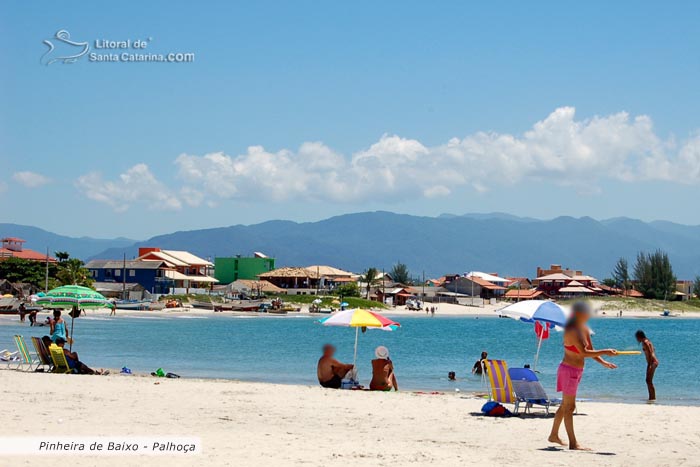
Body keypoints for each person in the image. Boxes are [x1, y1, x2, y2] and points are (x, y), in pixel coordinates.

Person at [548, 301, 618, 450]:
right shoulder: (572, 330)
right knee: (570, 407)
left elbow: (591, 350)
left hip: (577, 371)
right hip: (568, 370)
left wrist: (603, 362)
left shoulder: (584, 329)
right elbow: (583, 353)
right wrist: (605, 351)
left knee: (565, 406)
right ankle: (573, 444)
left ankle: (553, 435)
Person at [636, 330, 658, 401]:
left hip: (652, 362)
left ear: (639, 336)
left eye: (637, 337)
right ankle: (651, 397)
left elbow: (651, 352)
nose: (637, 339)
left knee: (648, 380)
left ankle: (652, 398)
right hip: (652, 362)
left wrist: (649, 365)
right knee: (648, 380)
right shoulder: (647, 341)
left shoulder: (645, 342)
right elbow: (653, 349)